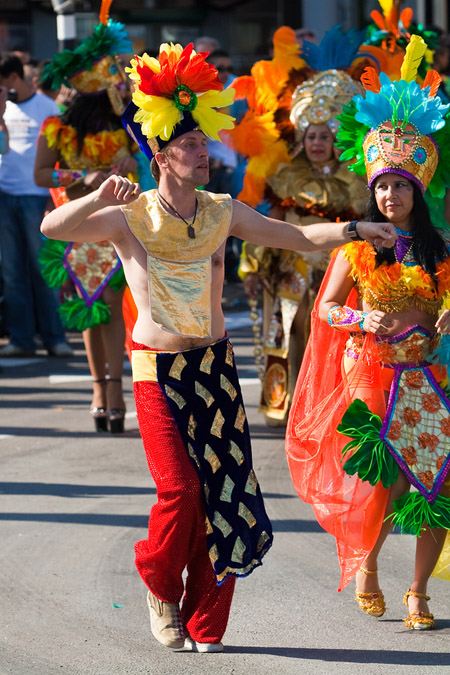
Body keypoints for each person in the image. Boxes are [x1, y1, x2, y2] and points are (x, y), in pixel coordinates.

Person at [41, 41, 396, 652]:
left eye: (203, 142)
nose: (203, 153)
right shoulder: (130, 217)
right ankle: (160, 587)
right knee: (179, 488)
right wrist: (97, 195)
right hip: (157, 368)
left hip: (215, 367)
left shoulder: (222, 211)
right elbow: (54, 227)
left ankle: (206, 621)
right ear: (160, 154)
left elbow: (296, 236)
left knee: (224, 495)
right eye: (189, 146)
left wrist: (356, 228)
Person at [286, 37, 450, 631]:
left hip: (430, 376)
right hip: (372, 374)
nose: (390, 195)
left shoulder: (441, 251)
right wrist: (363, 318)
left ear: (418, 191)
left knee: (434, 486)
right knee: (380, 486)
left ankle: (419, 593)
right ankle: (370, 568)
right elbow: (326, 310)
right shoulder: (355, 246)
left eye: (401, 186)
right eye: (382, 186)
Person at [232, 26, 367, 424]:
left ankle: (335, 407)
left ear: (337, 138)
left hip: (342, 268)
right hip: (293, 267)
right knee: (290, 335)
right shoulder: (286, 174)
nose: (317, 143)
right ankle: (291, 408)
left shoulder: (358, 177)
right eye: (311, 136)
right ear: (301, 137)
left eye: (325, 136)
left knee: (337, 338)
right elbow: (268, 220)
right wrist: (253, 265)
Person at [34, 8, 136, 433]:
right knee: (90, 309)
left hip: (116, 224)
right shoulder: (55, 127)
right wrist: (82, 176)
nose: (119, 90)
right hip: (74, 227)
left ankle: (116, 390)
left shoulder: (128, 127)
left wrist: (137, 157)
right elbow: (41, 174)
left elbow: (158, 163)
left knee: (113, 308)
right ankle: (100, 389)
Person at [0, 53, 72, 358]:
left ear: (13, 79)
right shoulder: (2, 109)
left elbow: (62, 151)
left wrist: (54, 199)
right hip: (4, 195)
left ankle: (55, 337)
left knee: (43, 269)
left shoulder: (47, 107)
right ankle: (21, 339)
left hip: (36, 197)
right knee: (12, 273)